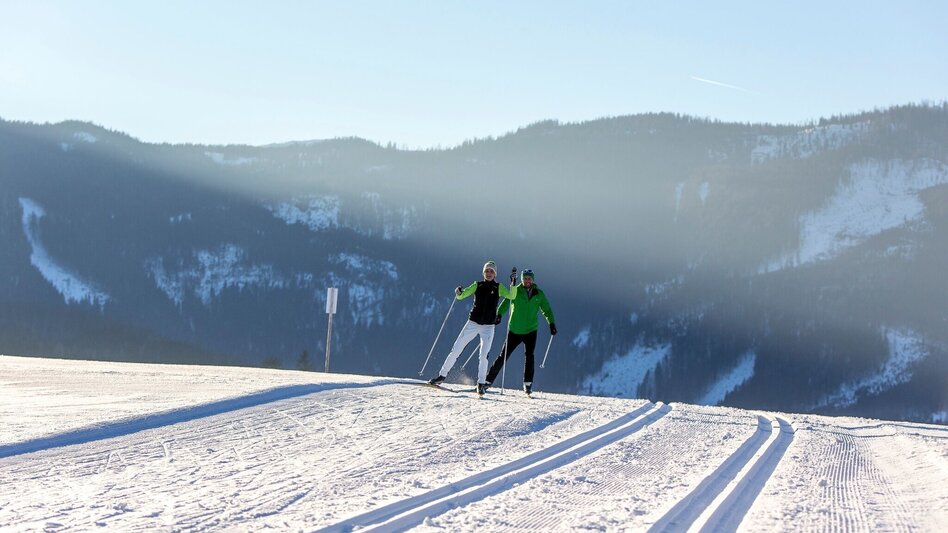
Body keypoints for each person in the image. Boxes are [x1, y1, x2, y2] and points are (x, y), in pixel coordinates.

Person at [427, 261, 517, 395]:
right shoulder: (477, 285)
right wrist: (459, 292)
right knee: (456, 349)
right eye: (487, 271)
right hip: (472, 324)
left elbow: (511, 296)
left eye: (491, 271)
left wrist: (513, 283)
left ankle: (481, 383)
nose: (489, 273)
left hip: (488, 327)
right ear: (483, 272)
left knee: (483, 356)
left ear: (495, 274)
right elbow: (462, 296)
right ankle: (441, 376)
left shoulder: (499, 287)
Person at [485, 269, 556, 395]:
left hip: (531, 330)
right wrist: (499, 314)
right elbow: (506, 303)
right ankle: (487, 381)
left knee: (529, 356)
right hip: (514, 330)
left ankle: (528, 384)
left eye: (529, 278)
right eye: (525, 278)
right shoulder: (515, 291)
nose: (527, 281)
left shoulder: (539, 294)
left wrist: (551, 324)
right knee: (503, 356)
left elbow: (547, 310)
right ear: (522, 280)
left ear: (533, 280)